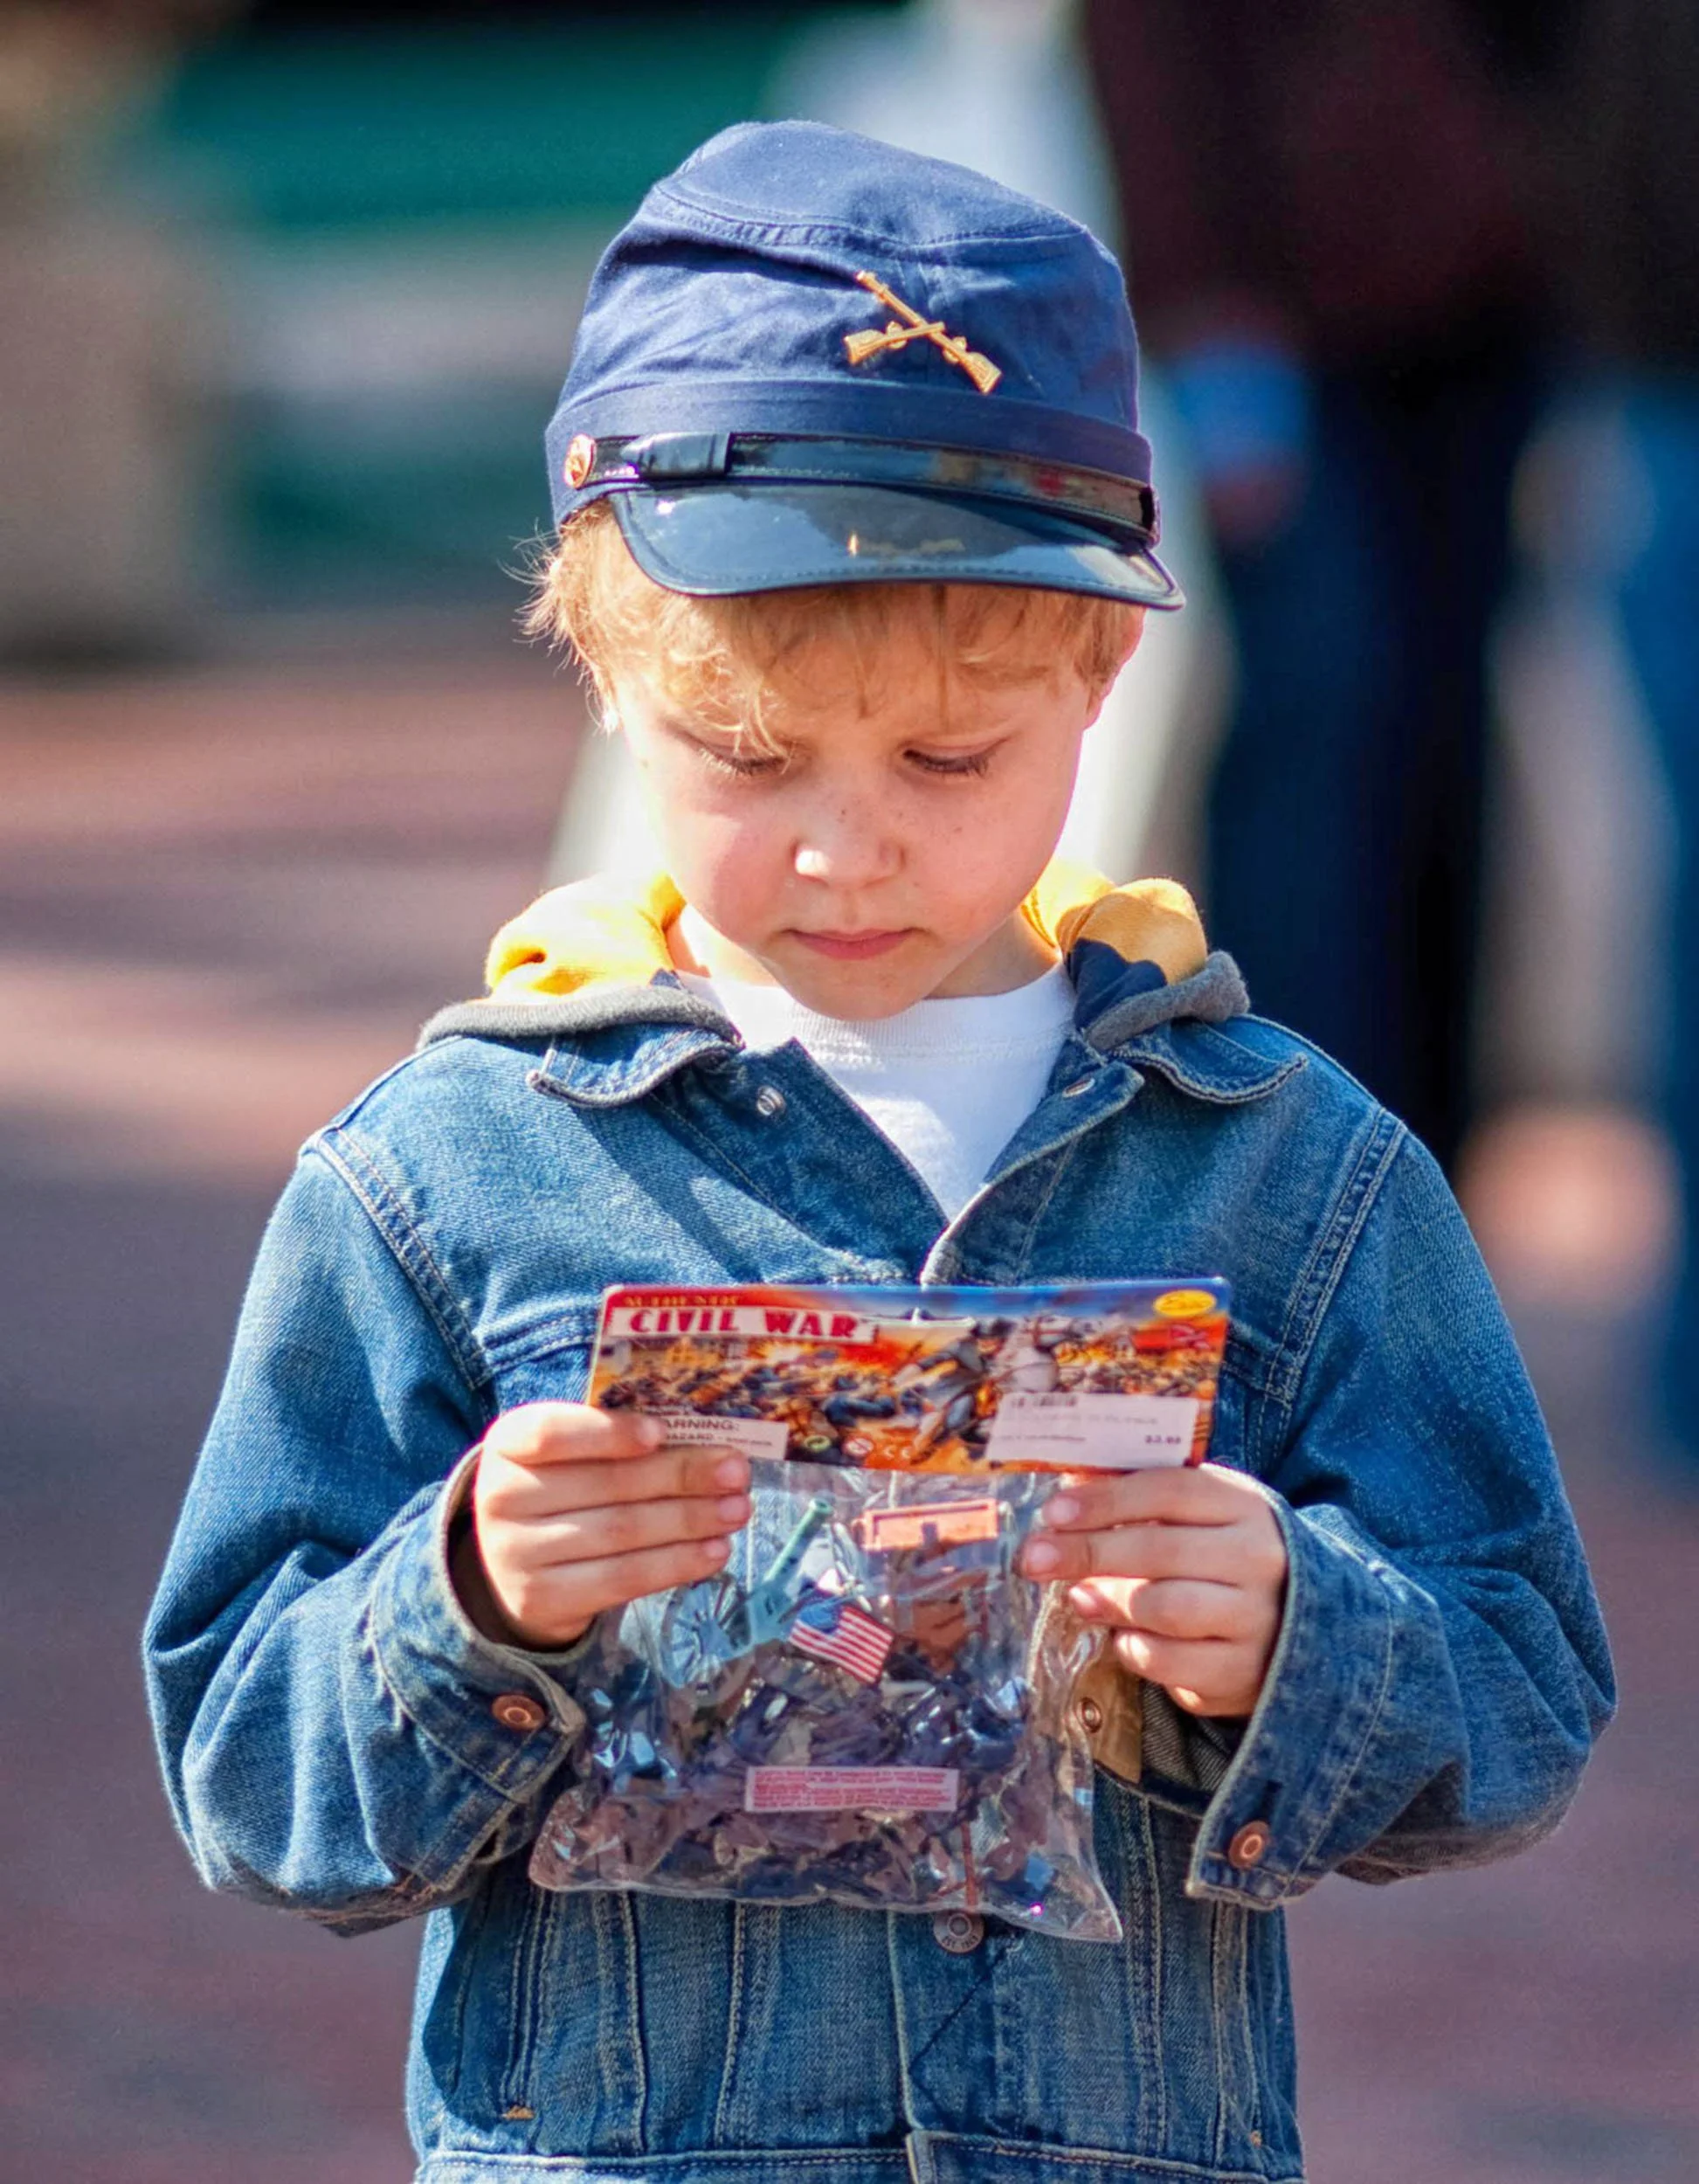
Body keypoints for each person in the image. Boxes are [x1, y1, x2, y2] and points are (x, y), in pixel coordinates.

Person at [144, 122, 1613, 2183]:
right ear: (603, 664)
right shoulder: (449, 1172)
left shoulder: (1284, 1162)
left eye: (949, 758)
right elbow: (242, 1767)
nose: (846, 846)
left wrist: (1298, 1621)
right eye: (746, 758)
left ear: (1104, 665)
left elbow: (1525, 1683)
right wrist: (466, 1593)